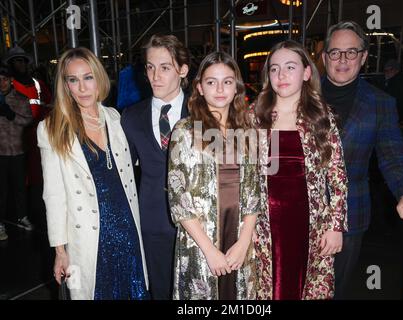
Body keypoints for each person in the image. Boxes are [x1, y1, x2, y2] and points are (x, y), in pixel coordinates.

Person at [320, 21, 403, 299]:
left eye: (351, 52)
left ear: (364, 56)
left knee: (333, 290)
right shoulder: (299, 94)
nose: (343, 60)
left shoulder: (380, 102)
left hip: (350, 214)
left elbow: (393, 155)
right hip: (295, 211)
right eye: (335, 52)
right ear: (324, 56)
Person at [37, 47, 148, 300]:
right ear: (66, 86)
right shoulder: (51, 128)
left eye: (88, 77)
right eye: (73, 80)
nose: (82, 87)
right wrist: (60, 251)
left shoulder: (115, 118)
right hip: (86, 239)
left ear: (99, 79)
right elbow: (53, 195)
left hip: (128, 230)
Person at [253, 40, 348, 300]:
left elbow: (337, 176)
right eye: (274, 69)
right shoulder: (255, 116)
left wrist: (335, 226)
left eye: (290, 67)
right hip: (262, 228)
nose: (281, 75)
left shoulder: (320, 117)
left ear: (306, 73)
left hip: (312, 226)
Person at [168, 51, 261, 300]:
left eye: (227, 81)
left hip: (240, 236)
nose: (220, 89)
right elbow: (179, 199)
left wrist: (244, 243)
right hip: (200, 242)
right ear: (199, 87)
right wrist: (209, 251)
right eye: (211, 82)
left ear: (236, 88)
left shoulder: (248, 129)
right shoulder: (185, 131)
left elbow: (255, 191)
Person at [121, 34, 190, 300]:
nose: (155, 76)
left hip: (198, 222)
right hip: (151, 222)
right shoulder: (131, 117)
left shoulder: (202, 111)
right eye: (150, 67)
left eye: (165, 67)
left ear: (182, 70)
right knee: (160, 292)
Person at [3, 46, 53, 230]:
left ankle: (32, 211)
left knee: (40, 176)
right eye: (16, 61)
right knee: (17, 180)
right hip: (16, 138)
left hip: (39, 135)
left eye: (22, 60)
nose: (21, 64)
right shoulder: (7, 85)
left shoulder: (38, 83)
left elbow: (50, 103)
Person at [0, 66, 33, 241]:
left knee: (20, 187)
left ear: (11, 80)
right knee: (1, 190)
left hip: (18, 150)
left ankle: (22, 216)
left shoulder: (21, 98)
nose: (1, 83)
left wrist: (12, 115)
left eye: (5, 79)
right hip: (0, 153)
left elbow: (28, 120)